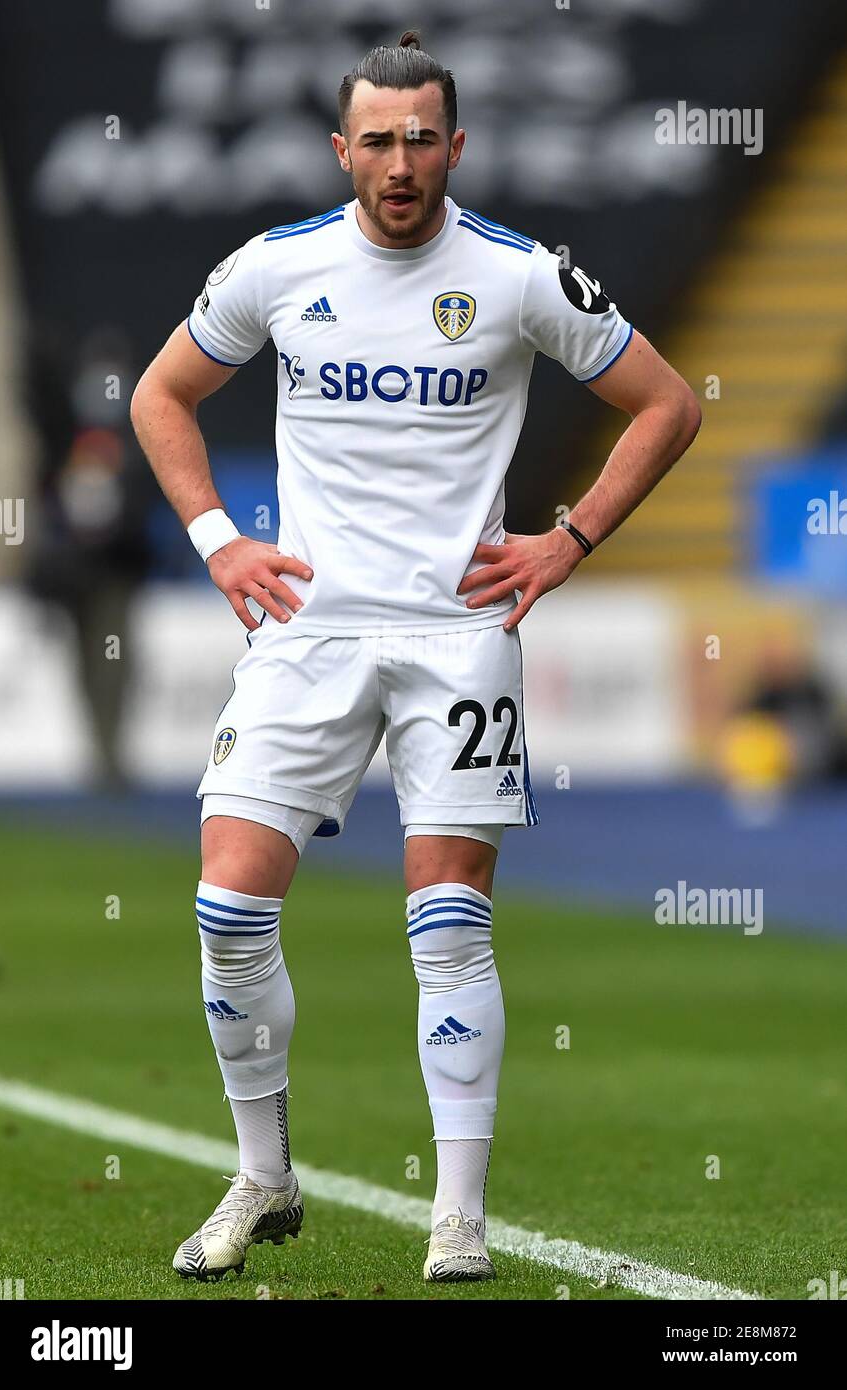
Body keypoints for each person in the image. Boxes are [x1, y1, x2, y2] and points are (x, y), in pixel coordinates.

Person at [130, 30, 701, 1284]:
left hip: (456, 633)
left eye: (421, 137)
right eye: (376, 139)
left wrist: (568, 540)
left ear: (457, 143)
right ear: (342, 149)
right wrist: (221, 540)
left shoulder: (517, 274)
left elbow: (669, 402)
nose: (399, 162)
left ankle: (455, 1215)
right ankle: (264, 1175)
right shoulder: (279, 267)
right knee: (227, 906)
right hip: (308, 630)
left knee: (446, 924)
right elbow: (158, 396)